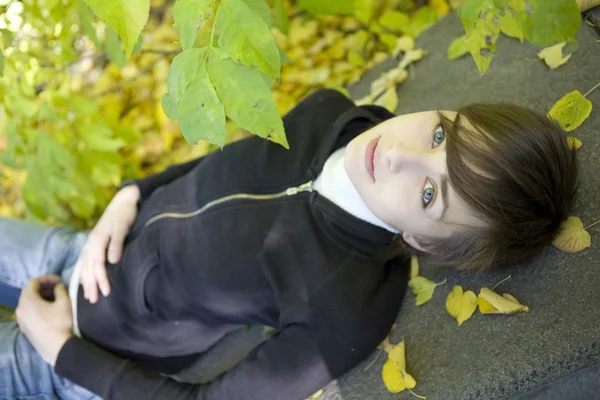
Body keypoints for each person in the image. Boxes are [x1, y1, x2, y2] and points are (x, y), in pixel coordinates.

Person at [1, 88, 578, 399]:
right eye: (439, 133)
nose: (398, 154)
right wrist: (130, 194)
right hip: (83, 244)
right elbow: (220, 164)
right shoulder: (334, 114)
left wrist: (60, 351)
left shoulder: (344, 314)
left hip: (80, 353)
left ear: (424, 241)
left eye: (430, 194)